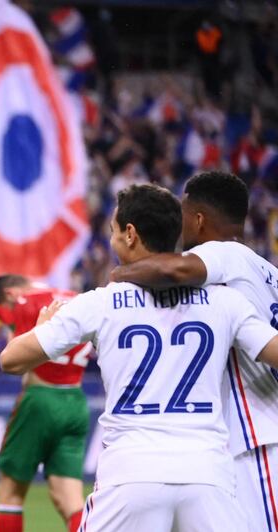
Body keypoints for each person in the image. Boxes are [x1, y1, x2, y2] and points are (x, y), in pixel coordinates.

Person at [0, 183, 278, 531]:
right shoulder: (226, 302)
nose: (112, 239)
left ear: (130, 234)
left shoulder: (98, 303)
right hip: (208, 476)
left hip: (132, 473)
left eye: (113, 231)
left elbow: (10, 360)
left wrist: (40, 327)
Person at [109, 171, 278, 531]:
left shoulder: (225, 254)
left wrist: (119, 276)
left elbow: (177, 269)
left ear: (198, 219)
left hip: (260, 437)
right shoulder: (267, 270)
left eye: (183, 212)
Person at [0, 275, 91, 532]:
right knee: (70, 500)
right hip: (76, 402)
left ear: (10, 293)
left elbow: (14, 357)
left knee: (11, 492)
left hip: (40, 397)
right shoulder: (78, 299)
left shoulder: (25, 301)